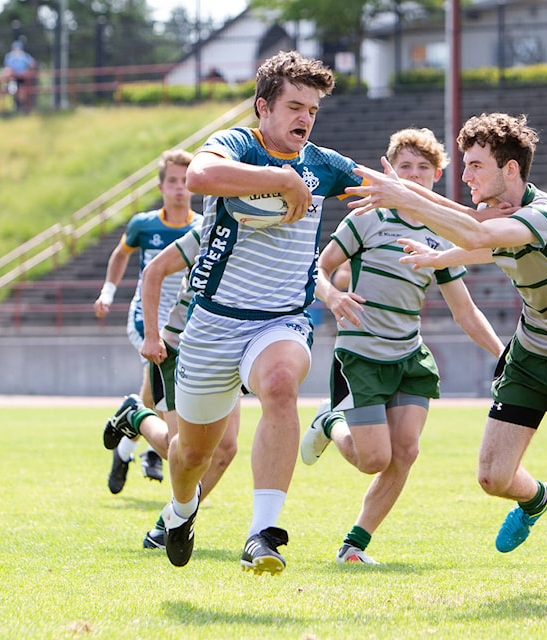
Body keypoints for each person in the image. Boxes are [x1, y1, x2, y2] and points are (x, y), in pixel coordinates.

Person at [347, 113, 547, 598]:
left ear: (511, 170)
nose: (466, 175)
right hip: (533, 353)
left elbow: (480, 237)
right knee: (492, 477)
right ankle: (531, 500)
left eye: (475, 165)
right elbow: (477, 230)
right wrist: (434, 248)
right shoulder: (502, 212)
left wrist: (405, 198)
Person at [162, 51, 365, 574]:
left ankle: (263, 534)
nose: (305, 118)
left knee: (280, 384)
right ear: (263, 107)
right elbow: (200, 176)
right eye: (295, 106)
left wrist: (476, 212)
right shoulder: (235, 145)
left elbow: (386, 191)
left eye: (313, 110)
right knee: (191, 457)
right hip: (212, 323)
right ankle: (182, 511)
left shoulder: (322, 164)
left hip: (281, 320)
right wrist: (280, 181)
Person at [300, 127, 505, 564]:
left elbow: (465, 311)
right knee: (373, 459)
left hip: (409, 354)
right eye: (405, 166)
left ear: (437, 176)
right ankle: (328, 422)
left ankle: (354, 547)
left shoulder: (441, 234)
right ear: (388, 170)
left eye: (423, 168)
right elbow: (313, 268)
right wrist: (333, 296)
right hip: (362, 355)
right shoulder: (366, 217)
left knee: (406, 451)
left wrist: (503, 354)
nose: (413, 176)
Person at [102, 227, 240, 549]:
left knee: (225, 449)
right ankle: (136, 416)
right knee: (185, 450)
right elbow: (153, 271)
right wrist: (152, 336)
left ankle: (171, 521)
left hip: (226, 350)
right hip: (181, 348)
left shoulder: (266, 231)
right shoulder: (212, 228)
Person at [94, 149, 201, 495]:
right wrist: (108, 293)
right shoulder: (144, 224)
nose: (179, 188)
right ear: (160, 187)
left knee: (149, 398)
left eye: (185, 181)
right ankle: (150, 453)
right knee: (158, 385)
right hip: (146, 318)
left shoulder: (201, 227)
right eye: (172, 181)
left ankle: (127, 445)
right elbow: (120, 254)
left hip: (182, 323)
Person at [2, 39, 36, 112]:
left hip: (23, 78)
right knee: (14, 89)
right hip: (13, 78)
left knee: (22, 91)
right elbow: (7, 68)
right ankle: (17, 104)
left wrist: (28, 71)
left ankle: (21, 106)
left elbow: (32, 64)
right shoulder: (10, 56)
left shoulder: (24, 56)